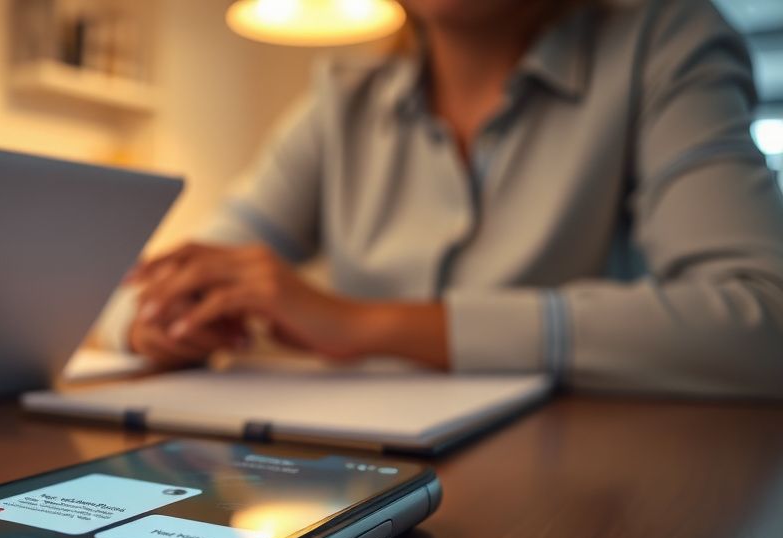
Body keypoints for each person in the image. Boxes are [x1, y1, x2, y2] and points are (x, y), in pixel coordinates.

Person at [112, 0, 783, 398]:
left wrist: (363, 325)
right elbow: (154, 287)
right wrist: (153, 326)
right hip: (364, 483)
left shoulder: (665, 44)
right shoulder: (343, 99)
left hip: (593, 511)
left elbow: (763, 320)